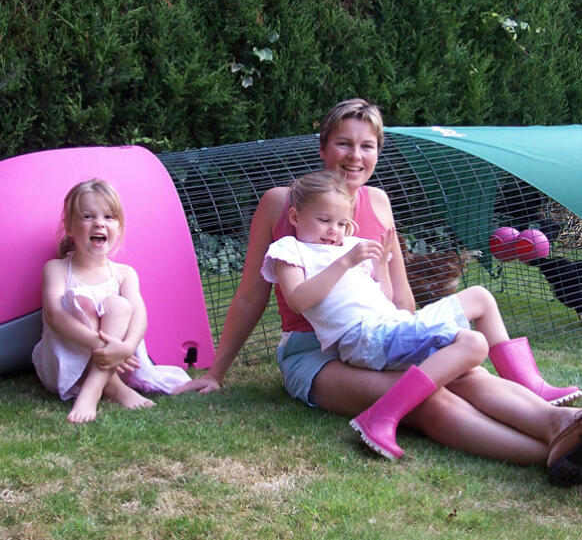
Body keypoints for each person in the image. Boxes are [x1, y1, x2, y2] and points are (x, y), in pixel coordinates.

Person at [175, 98, 582, 486]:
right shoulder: (281, 204)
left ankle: (563, 423)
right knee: (427, 399)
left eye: (366, 146)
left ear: (377, 153)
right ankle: (546, 451)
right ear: (323, 147)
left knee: (465, 372)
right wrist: (216, 372)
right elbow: (251, 295)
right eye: (344, 144)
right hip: (314, 355)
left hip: (379, 334)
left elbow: (399, 296)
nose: (355, 156)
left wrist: (419, 337)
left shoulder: (380, 202)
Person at [260, 169, 580, 459]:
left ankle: (547, 407)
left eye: (341, 223)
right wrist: (345, 262)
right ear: (296, 215)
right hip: (367, 338)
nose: (334, 231)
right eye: (324, 220)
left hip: (393, 325)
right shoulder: (291, 249)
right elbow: (299, 300)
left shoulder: (352, 244)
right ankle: (383, 416)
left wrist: (382, 266)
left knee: (479, 300)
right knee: (471, 347)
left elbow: (384, 299)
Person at [33, 179, 190, 423]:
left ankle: (97, 388)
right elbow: (54, 315)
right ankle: (111, 387)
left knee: (120, 305)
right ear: (69, 226)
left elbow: (139, 315)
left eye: (109, 216)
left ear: (119, 226)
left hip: (118, 360)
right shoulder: (57, 269)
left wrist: (126, 348)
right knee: (80, 301)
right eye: (87, 216)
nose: (99, 223)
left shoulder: (124, 273)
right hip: (64, 365)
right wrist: (106, 346)